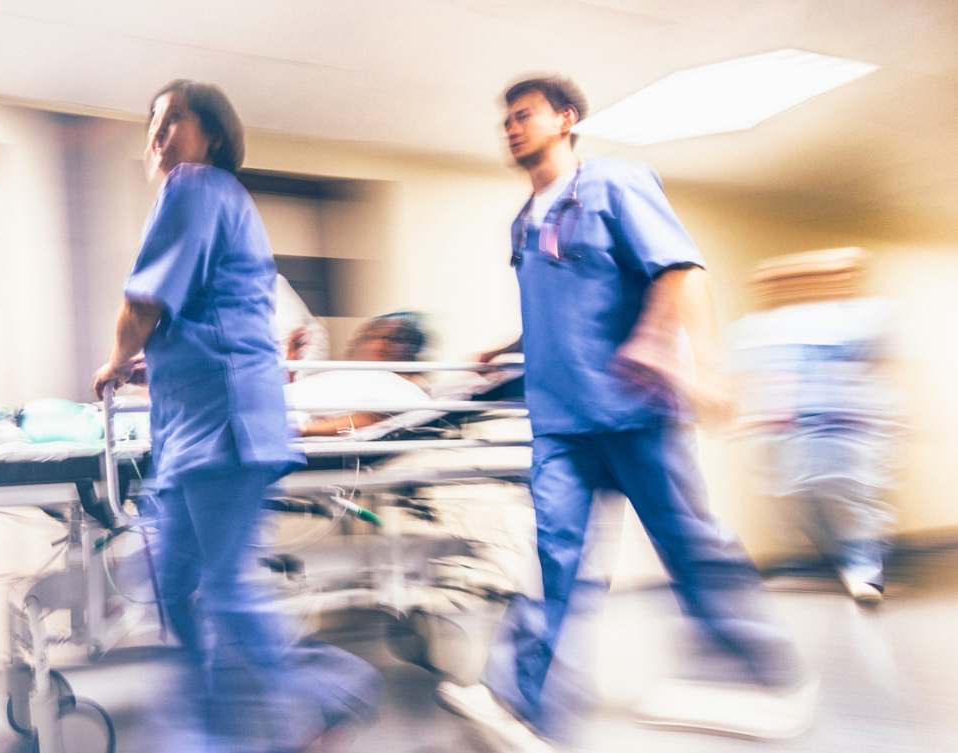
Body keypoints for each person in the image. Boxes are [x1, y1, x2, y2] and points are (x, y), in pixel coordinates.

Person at [436, 76, 813, 751]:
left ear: (566, 119)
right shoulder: (524, 222)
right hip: (561, 425)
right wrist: (507, 349)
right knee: (554, 559)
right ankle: (522, 705)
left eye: (525, 115)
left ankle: (770, 679)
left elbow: (678, 270)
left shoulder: (614, 183)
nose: (511, 128)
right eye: (506, 120)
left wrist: (689, 358)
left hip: (633, 409)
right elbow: (564, 306)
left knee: (690, 546)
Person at [92, 80, 379, 753]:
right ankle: (209, 727)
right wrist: (147, 366)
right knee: (169, 581)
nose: (158, 134)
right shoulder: (215, 201)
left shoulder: (194, 186)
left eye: (174, 120)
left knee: (222, 586)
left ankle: (329, 693)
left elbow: (143, 303)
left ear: (213, 135)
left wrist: (115, 359)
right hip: (194, 428)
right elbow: (204, 318)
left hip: (225, 426)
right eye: (152, 123)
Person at [731, 248, 900, 606]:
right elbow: (763, 377)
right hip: (791, 430)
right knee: (794, 498)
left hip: (848, 427)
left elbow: (877, 368)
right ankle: (836, 559)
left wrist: (889, 415)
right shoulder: (766, 326)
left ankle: (864, 571)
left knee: (852, 500)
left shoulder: (865, 316)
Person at [288, 312, 433, 437]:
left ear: (411, 351)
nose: (382, 343)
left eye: (394, 338)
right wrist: (291, 361)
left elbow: (368, 419)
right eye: (372, 335)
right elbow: (292, 394)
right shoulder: (352, 375)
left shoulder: (404, 388)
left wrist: (303, 430)